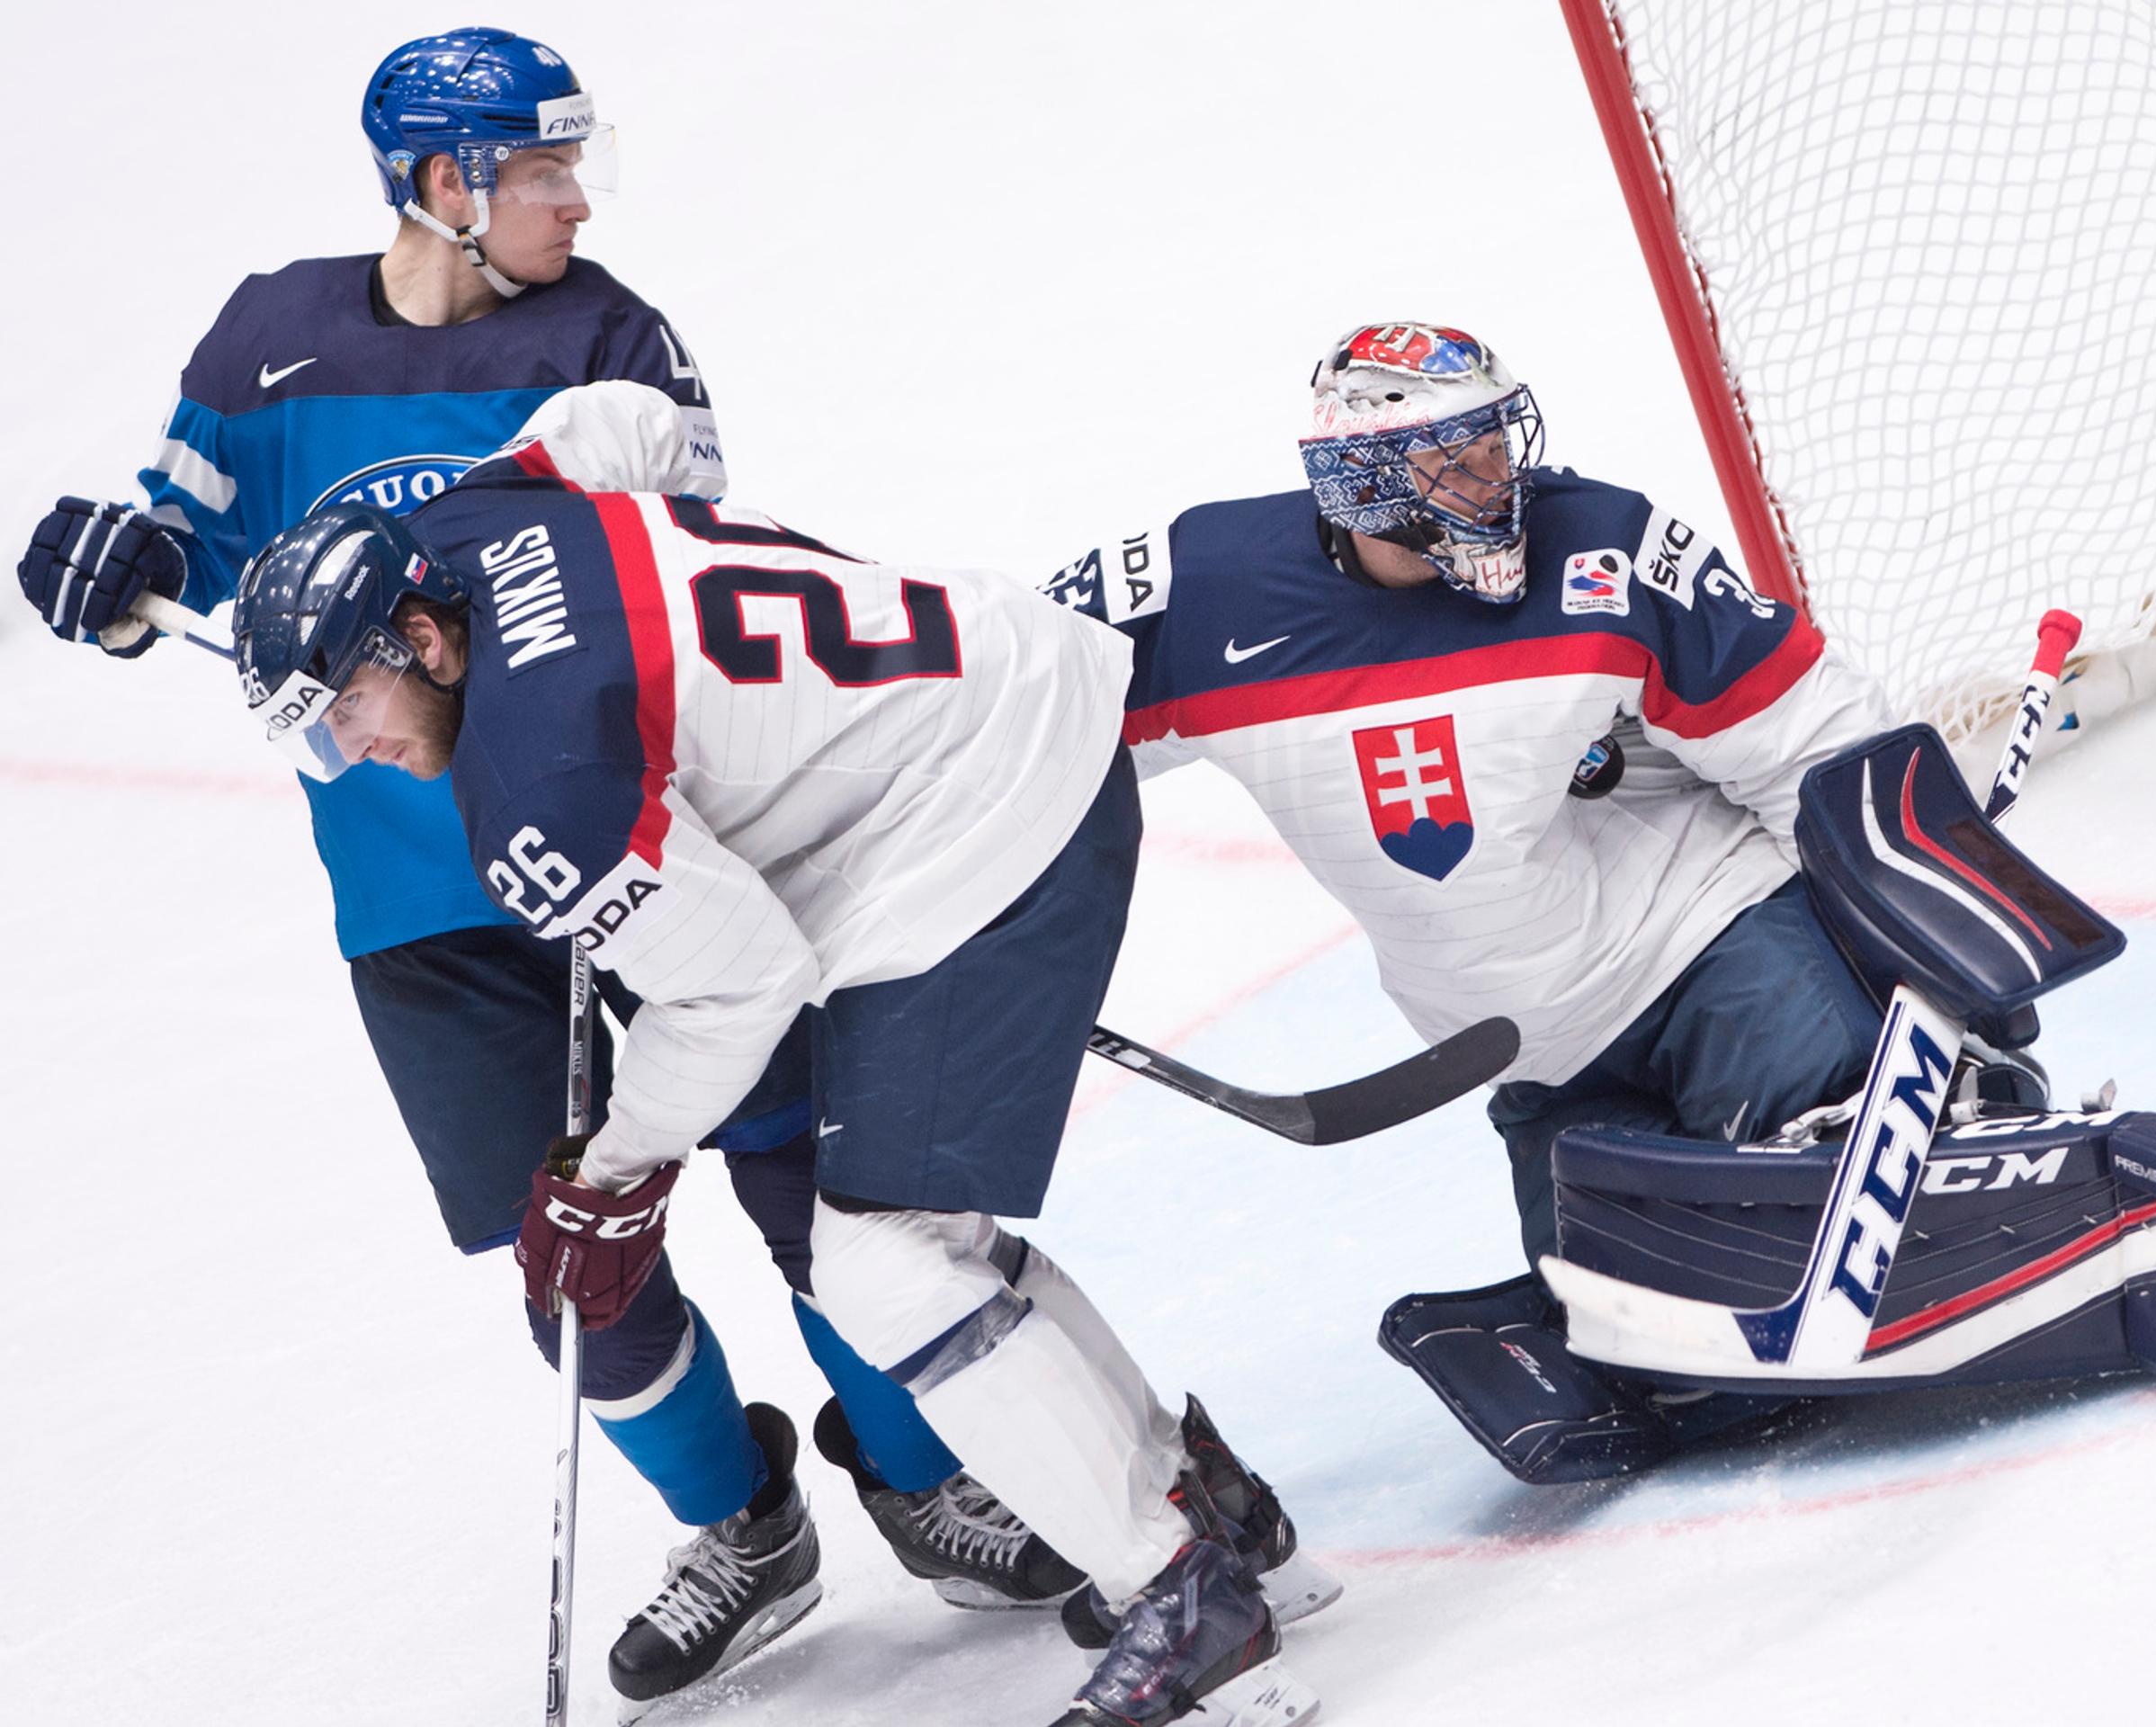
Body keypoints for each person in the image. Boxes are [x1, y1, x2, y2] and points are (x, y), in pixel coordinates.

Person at [10, 30, 1070, 1714]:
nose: (579, 200)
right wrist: (122, 564)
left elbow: (677, 545)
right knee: (570, 1258)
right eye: (543, 170)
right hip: (427, 910)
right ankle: (742, 1526)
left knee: (816, 1192)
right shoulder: (266, 341)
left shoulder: (610, 337)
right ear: (444, 184)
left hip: (641, 837)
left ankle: (927, 1481)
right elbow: (191, 543)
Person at [226, 380, 1329, 1727]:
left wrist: (616, 1167)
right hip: (985, 685)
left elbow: (741, 987)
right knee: (909, 1234)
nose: (357, 748)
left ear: (418, 635)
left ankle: (1182, 1587)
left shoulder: (538, 793)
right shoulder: (485, 506)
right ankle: (1200, 1509)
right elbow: (626, 420)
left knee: (879, 1252)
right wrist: (717, 652)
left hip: (973, 808)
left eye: (348, 705)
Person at [1039, 321, 1934, 1480]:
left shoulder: (1604, 544)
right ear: (1361, 482)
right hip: (1531, 1050)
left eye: (1495, 444)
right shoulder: (1202, 586)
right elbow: (1015, 714)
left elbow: (1817, 739)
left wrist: (1923, 934)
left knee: (1855, 1195)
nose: (1495, 478)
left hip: (1713, 939)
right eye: (1452, 459)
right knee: (1666, 1354)